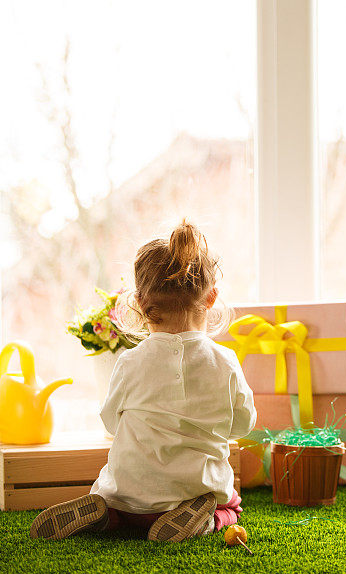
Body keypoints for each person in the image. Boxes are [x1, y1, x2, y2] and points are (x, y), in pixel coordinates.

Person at [30, 219, 256, 542]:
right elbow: (244, 424)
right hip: (193, 490)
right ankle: (204, 517)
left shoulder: (129, 362)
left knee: (120, 503)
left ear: (141, 305)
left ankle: (106, 517)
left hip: (127, 495)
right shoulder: (225, 363)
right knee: (230, 504)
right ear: (210, 298)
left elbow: (110, 423)